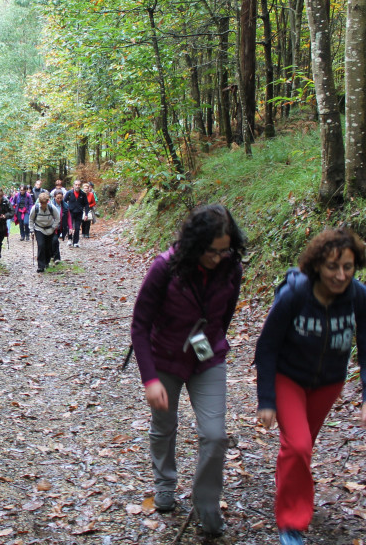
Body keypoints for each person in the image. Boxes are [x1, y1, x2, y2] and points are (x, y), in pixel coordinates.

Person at [254, 228, 366, 545]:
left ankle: (290, 486)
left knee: (301, 448)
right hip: (288, 378)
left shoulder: (361, 299)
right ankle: (291, 524)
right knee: (298, 446)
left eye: (348, 267)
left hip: (328, 384)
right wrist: (267, 400)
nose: (340, 275)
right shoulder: (294, 296)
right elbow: (267, 347)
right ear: (317, 266)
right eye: (332, 267)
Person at [130, 204, 246, 536]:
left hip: (207, 359)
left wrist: (209, 344)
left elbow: (224, 317)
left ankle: (206, 503)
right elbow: (140, 325)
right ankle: (165, 482)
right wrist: (150, 378)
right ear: (195, 243)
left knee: (215, 435)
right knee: (164, 425)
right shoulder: (165, 268)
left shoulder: (231, 268)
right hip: (164, 358)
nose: (219, 257)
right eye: (212, 251)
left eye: (225, 251)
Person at [29, 192, 60, 273]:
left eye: (45, 203)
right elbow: (31, 219)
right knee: (41, 245)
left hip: (50, 229)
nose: (43, 205)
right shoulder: (35, 208)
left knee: (48, 247)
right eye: (42, 203)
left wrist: (53, 227)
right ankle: (41, 266)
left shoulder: (52, 208)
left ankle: (46, 262)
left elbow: (57, 218)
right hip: (39, 229)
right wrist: (31, 230)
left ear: (47, 201)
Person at [63, 180, 88, 247]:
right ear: (73, 185)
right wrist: (65, 211)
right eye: (76, 184)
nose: (77, 186)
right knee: (70, 226)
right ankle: (69, 239)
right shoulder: (69, 193)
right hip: (70, 212)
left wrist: (86, 214)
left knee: (77, 227)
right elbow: (64, 201)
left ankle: (75, 242)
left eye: (79, 185)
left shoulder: (83, 194)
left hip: (79, 212)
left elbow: (86, 204)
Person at [51, 190, 69, 263]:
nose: (59, 200)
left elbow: (68, 217)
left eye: (60, 198)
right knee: (55, 241)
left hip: (60, 227)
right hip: (51, 227)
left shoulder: (65, 206)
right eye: (57, 198)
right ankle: (57, 258)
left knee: (54, 241)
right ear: (54, 197)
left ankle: (52, 255)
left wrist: (70, 228)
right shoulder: (50, 205)